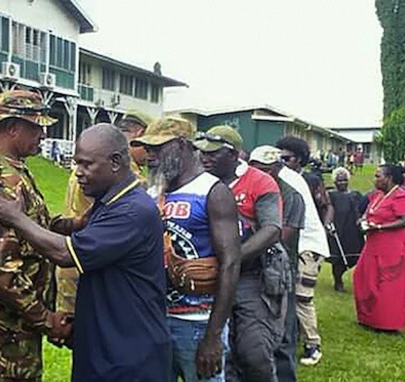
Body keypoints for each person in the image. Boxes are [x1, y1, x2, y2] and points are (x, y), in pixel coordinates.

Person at [0, 123, 171, 381]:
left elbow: (64, 253)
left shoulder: (132, 211)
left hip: (127, 356)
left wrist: (17, 219)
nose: (78, 173)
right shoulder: (110, 203)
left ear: (115, 162)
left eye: (86, 165)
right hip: (105, 344)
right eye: (76, 164)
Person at [0, 90, 70, 381]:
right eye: (36, 127)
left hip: (14, 322)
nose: (42, 135)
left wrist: (71, 224)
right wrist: (45, 318)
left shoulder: (4, 163)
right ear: (13, 127)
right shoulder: (4, 178)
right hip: (9, 328)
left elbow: (27, 226)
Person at [132, 117, 241, 382]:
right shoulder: (151, 193)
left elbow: (230, 263)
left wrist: (213, 336)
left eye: (158, 149)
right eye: (148, 149)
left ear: (182, 145)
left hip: (196, 322)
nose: (150, 156)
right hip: (154, 320)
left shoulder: (212, 192)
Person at [196, 126, 289, 382]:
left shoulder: (259, 181)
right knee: (218, 354)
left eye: (214, 153)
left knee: (253, 350)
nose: (205, 158)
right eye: (202, 152)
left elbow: (272, 229)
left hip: (251, 275)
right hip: (207, 276)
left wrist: (232, 260)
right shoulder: (198, 182)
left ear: (234, 154)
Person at [56, 109, 151, 315]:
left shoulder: (99, 162)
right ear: (138, 134)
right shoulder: (119, 175)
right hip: (86, 264)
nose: (151, 154)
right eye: (149, 146)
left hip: (83, 260)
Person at [248, 145, 305, 382]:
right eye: (255, 168)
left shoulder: (291, 195)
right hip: (250, 270)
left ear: (277, 169)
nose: (260, 174)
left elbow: (281, 236)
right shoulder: (248, 188)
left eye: (266, 170)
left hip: (278, 271)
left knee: (282, 335)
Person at [276, 136, 331, 366]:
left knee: (302, 297)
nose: (280, 161)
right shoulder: (291, 176)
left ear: (298, 159)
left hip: (309, 246)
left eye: (285, 157)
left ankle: (313, 344)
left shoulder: (289, 177)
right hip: (299, 244)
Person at [354, 165, 405, 332]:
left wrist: (380, 227)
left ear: (389, 178)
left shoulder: (401, 196)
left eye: (378, 176)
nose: (375, 179)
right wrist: (363, 220)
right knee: (363, 277)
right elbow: (370, 212)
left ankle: (386, 323)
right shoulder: (378, 195)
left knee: (388, 285)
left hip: (393, 246)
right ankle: (368, 318)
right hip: (374, 244)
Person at [327, 167, 367, 292]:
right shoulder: (331, 195)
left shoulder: (356, 194)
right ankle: (338, 281)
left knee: (355, 255)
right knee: (338, 258)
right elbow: (326, 210)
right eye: (339, 181)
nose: (342, 183)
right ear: (335, 182)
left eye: (344, 180)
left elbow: (362, 209)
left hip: (353, 230)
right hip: (338, 229)